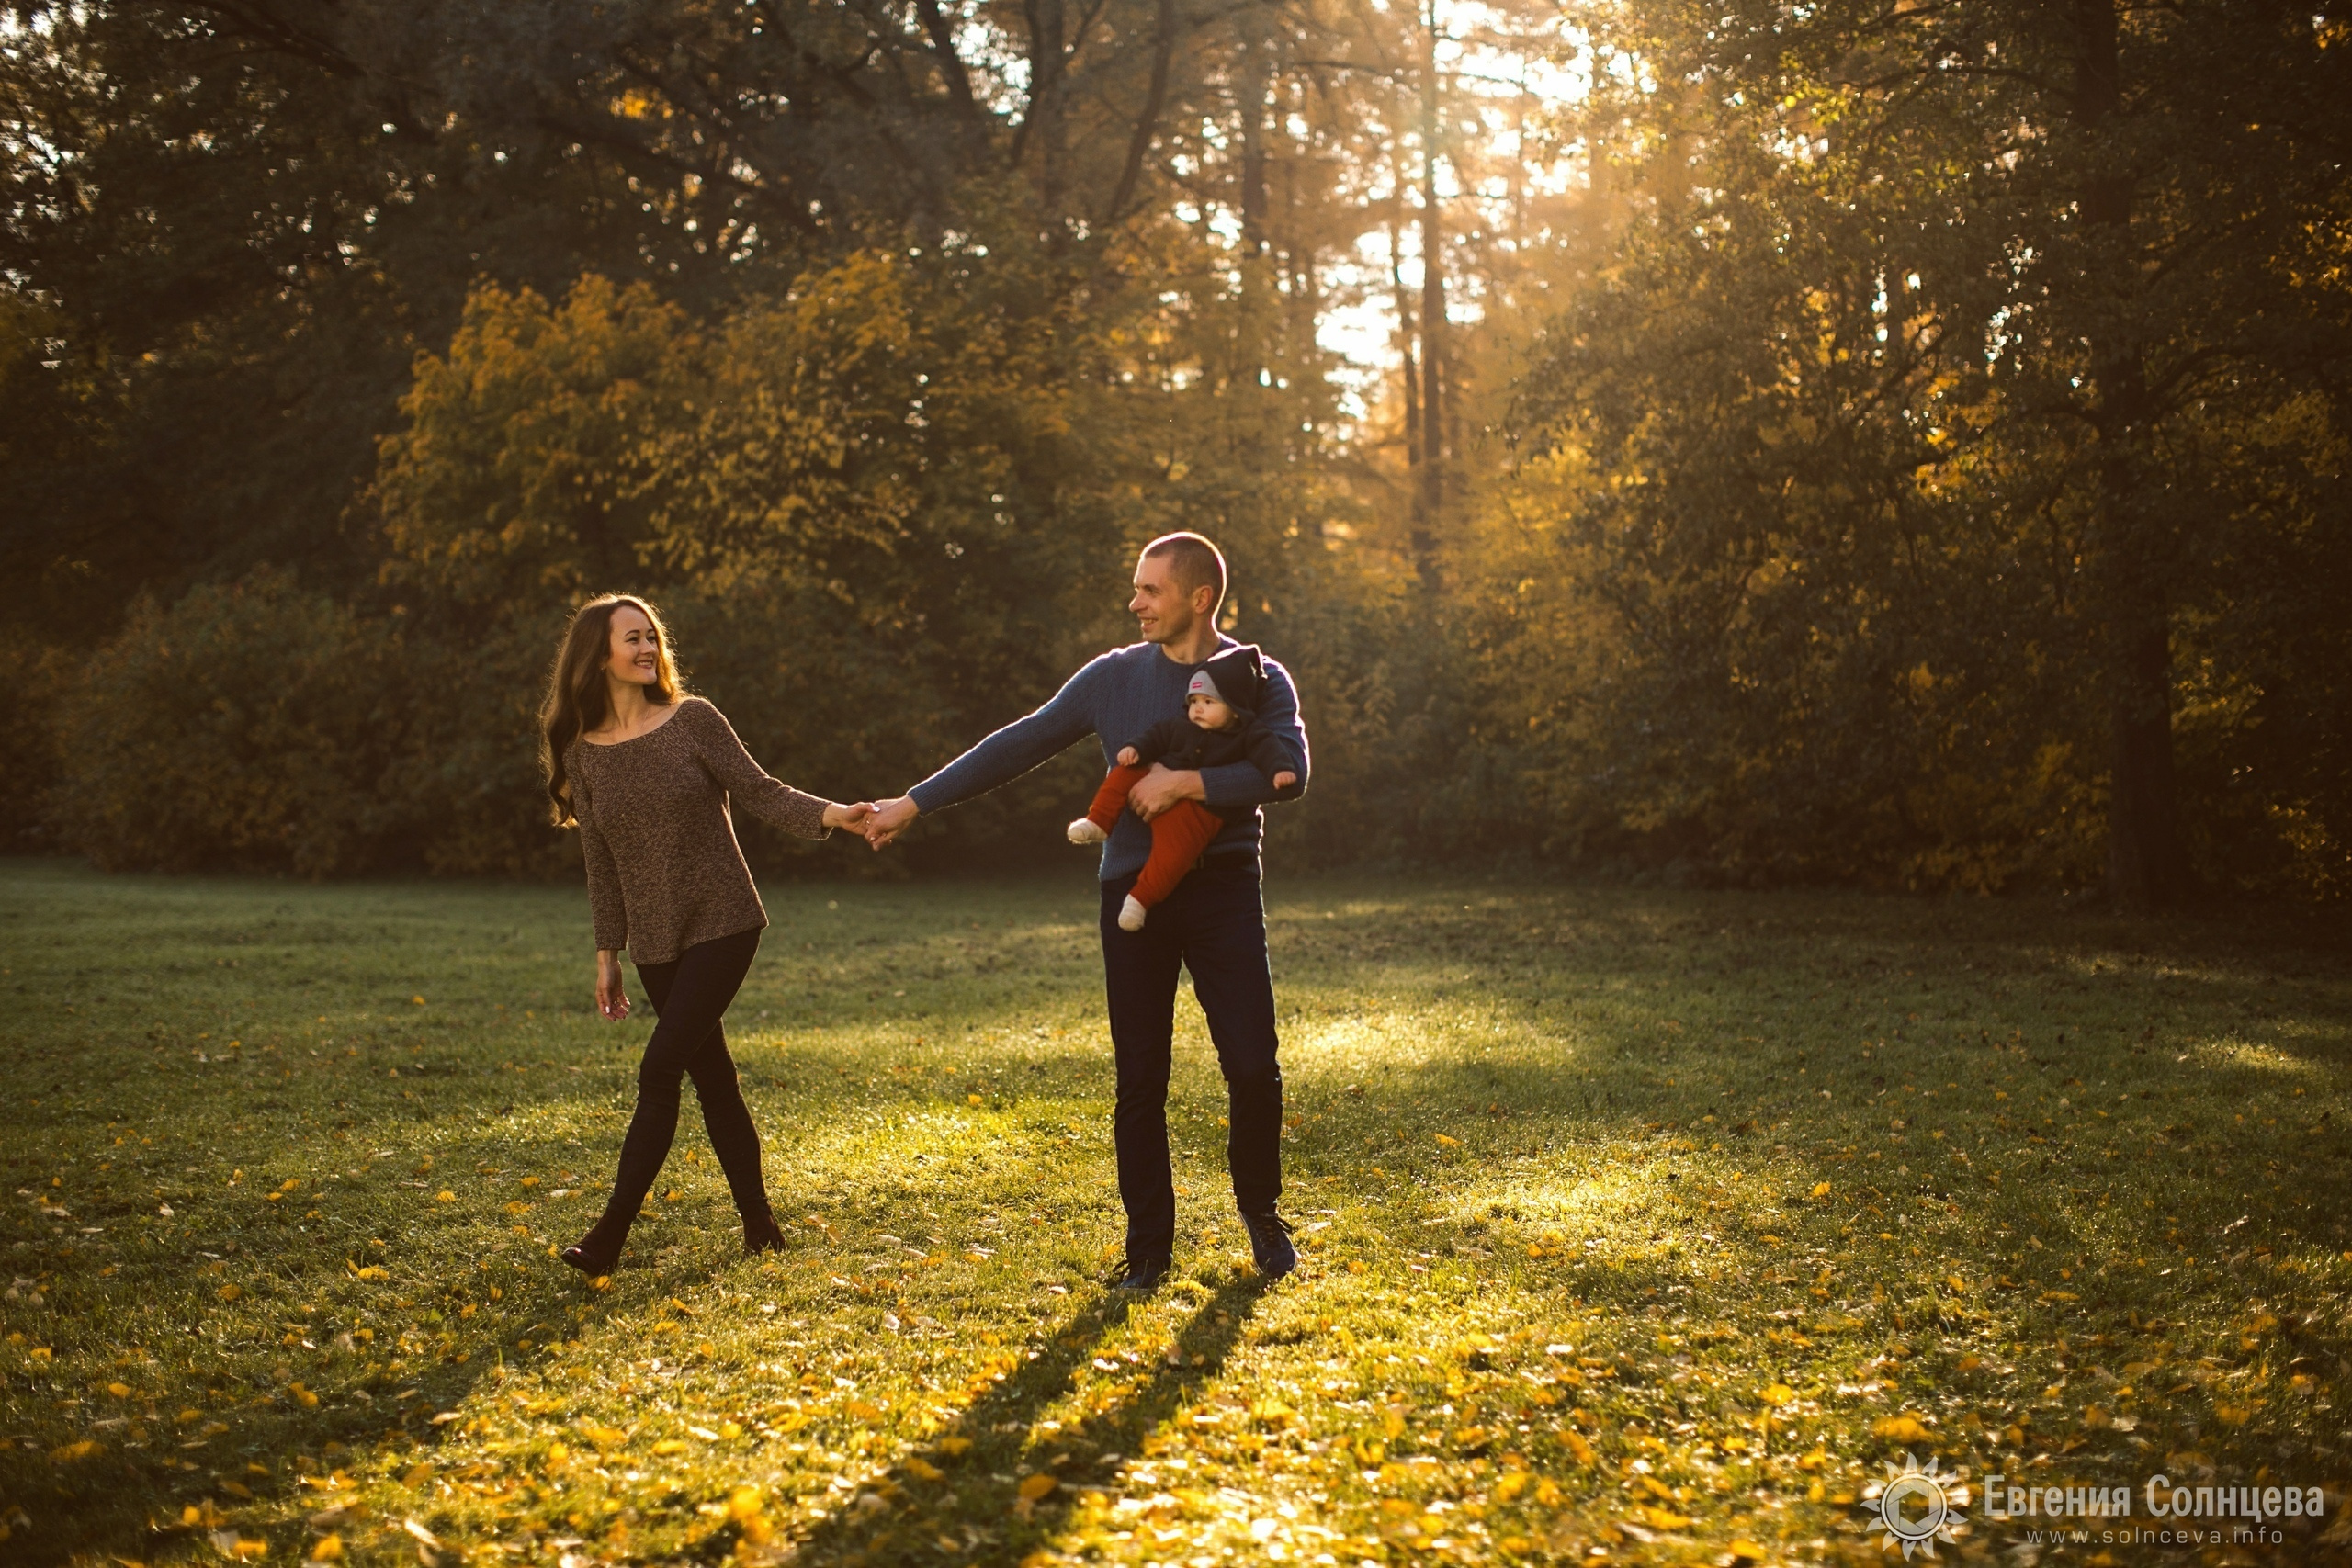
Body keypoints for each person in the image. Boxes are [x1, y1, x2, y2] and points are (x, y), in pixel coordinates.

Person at [862, 534, 1310, 1289]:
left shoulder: (1255, 676)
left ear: (1199, 598)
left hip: (1223, 889)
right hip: (1133, 893)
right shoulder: (1114, 676)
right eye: (1135, 587)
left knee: (1253, 1066)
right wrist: (916, 800)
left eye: (1151, 590)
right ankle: (1149, 1252)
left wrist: (1186, 786)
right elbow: (1020, 742)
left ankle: (1263, 1219)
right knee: (1141, 1076)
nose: (1134, 602)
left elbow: (1290, 770)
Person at [538, 593, 872, 1275]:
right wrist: (608, 955)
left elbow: (762, 790)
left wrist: (837, 813)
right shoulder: (584, 756)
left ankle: (607, 1238)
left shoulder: (692, 720)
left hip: (724, 919)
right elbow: (598, 859)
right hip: (655, 941)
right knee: (713, 1078)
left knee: (659, 1069)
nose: (646, 649)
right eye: (631, 638)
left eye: (650, 637)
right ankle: (761, 1225)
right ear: (596, 654)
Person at [1068, 643, 1298, 931]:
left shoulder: (1249, 735)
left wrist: (1279, 772)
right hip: (1153, 782)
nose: (1198, 709)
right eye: (1194, 701)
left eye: (1209, 702)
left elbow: (1271, 753)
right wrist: (1135, 749)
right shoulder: (1180, 726)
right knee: (1122, 772)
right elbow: (1156, 736)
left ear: (1236, 708)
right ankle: (1098, 821)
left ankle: (1139, 901)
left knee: (1172, 857)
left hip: (1199, 814)